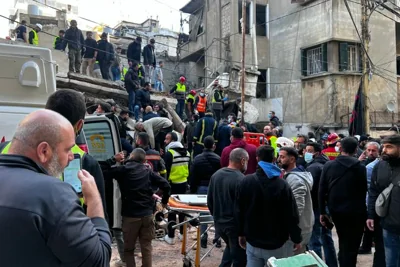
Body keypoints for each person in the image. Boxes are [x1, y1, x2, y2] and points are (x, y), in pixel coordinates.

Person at [0, 110, 111, 266]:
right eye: (67, 149)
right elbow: (98, 261)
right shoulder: (54, 194)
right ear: (44, 151)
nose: (72, 156)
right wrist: (93, 200)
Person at [103, 148, 170, 267]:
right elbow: (166, 185)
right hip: (147, 216)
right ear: (144, 160)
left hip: (130, 217)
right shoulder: (148, 171)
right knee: (146, 248)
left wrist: (113, 159)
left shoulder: (123, 170)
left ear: (131, 157)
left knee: (129, 249)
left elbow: (102, 170)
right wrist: (163, 202)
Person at [237, 146, 302, 264]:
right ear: (274, 159)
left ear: (257, 159)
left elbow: (239, 211)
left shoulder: (246, 181)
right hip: (277, 244)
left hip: (253, 242)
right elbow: (291, 214)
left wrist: (241, 233)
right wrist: (296, 238)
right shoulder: (282, 184)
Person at [319, 137, 367, 267]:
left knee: (343, 239)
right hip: (356, 211)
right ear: (356, 150)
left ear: (340, 148)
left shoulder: (329, 165)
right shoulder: (361, 167)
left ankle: (344, 261)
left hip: (336, 211)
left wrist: (322, 211)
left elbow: (322, 189)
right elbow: (364, 191)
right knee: (353, 243)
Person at [208, 148, 249, 267]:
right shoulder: (241, 180)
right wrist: (242, 232)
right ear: (242, 160)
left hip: (220, 224)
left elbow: (210, 201)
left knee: (230, 250)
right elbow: (242, 208)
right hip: (234, 227)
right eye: (247, 161)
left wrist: (216, 217)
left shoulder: (216, 175)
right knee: (239, 260)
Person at [368, 135, 400, 267]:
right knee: (391, 262)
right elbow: (373, 191)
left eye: (389, 147)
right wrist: (370, 215)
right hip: (388, 226)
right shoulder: (380, 166)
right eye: (384, 146)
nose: (384, 150)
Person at [305, 142, 338, 267]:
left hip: (316, 207)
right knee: (327, 238)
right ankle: (332, 263)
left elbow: (311, 189)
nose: (306, 153)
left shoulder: (313, 167)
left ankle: (317, 264)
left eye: (309, 150)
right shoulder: (327, 163)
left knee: (315, 241)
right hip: (326, 205)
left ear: (316, 152)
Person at [279, 147, 314, 253]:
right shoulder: (288, 175)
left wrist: (292, 232)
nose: (279, 159)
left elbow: (297, 209)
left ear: (292, 159)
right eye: (279, 156)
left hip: (299, 229)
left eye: (282, 157)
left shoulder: (296, 180)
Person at [189, 136, 221, 248]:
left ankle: (203, 237)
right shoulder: (218, 158)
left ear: (203, 145)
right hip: (215, 188)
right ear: (214, 146)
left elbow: (192, 176)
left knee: (202, 213)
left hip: (201, 187)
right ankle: (217, 238)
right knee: (217, 212)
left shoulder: (197, 159)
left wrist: (192, 190)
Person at [163, 132, 191, 244]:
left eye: (167, 139)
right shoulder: (187, 153)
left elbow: (166, 171)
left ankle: (170, 237)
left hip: (172, 184)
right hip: (183, 184)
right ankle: (182, 235)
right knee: (182, 210)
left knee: (172, 211)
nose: (165, 141)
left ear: (173, 140)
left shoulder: (170, 153)